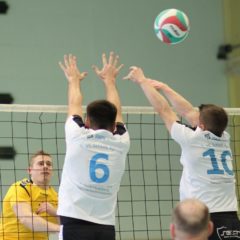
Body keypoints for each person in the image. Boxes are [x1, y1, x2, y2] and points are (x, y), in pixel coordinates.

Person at [124, 66, 240, 240]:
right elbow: (187, 112)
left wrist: (142, 81)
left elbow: (164, 110)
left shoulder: (192, 139)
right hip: (231, 218)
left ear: (201, 125)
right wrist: (165, 87)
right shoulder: (224, 137)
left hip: (203, 218)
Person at [57, 52, 130, 240]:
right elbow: (118, 112)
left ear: (87, 121)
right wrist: (110, 81)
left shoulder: (77, 136)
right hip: (105, 227)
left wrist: (73, 80)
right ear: (114, 125)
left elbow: (75, 103)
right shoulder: (121, 141)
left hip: (74, 222)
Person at [0, 150, 59, 240]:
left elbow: (68, 223)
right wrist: (60, 229)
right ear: (30, 170)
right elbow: (26, 218)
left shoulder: (56, 196)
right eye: (41, 163)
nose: (45, 166)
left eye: (49, 164)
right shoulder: (20, 188)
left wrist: (55, 213)